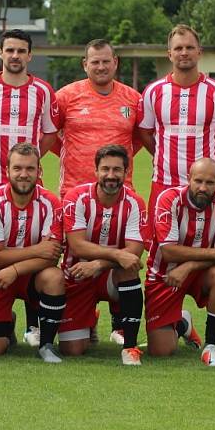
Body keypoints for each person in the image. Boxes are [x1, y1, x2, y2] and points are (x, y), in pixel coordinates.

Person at [53, 38, 144, 346]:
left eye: (106, 61)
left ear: (115, 62)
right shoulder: (66, 96)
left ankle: (121, 325)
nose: (101, 66)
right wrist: (76, 161)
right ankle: (81, 321)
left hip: (119, 196)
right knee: (74, 261)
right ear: (85, 65)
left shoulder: (132, 98)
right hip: (73, 195)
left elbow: (140, 139)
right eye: (95, 62)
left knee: (122, 258)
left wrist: (115, 169)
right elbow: (51, 136)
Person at [0, 142, 66, 363]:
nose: (23, 174)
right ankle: (8, 321)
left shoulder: (51, 203)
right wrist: (36, 249)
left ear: (39, 171)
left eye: (30, 169)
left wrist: (15, 269)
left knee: (54, 277)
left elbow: (52, 255)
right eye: (17, 168)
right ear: (7, 170)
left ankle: (45, 344)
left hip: (31, 276)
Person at [145, 158, 215, 366]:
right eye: (198, 181)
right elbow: (168, 252)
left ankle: (211, 346)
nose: (203, 188)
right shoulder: (169, 199)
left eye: (210, 183)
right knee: (160, 351)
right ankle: (182, 323)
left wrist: (188, 267)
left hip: (201, 273)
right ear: (188, 179)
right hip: (166, 274)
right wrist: (213, 254)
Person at [138, 24, 215, 216]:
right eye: (178, 48)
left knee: (203, 243)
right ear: (169, 54)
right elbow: (144, 132)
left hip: (203, 188)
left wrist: (210, 161)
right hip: (163, 183)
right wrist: (162, 154)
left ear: (199, 52)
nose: (184, 52)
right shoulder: (154, 91)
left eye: (189, 47)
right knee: (160, 244)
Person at [58, 144, 146, 365]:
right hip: (77, 274)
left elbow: (134, 252)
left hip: (110, 275)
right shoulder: (76, 197)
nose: (111, 175)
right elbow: (77, 245)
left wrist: (98, 263)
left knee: (129, 269)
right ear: (95, 171)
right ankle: (89, 318)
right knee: (72, 350)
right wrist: (115, 256)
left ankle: (130, 348)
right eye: (105, 169)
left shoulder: (135, 203)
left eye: (117, 170)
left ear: (126, 173)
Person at [0, 28, 58, 221]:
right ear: (0, 53)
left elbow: (50, 133)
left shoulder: (43, 90)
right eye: (10, 50)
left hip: (30, 178)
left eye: (21, 51)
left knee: (31, 237)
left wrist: (29, 158)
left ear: (29, 56)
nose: (15, 56)